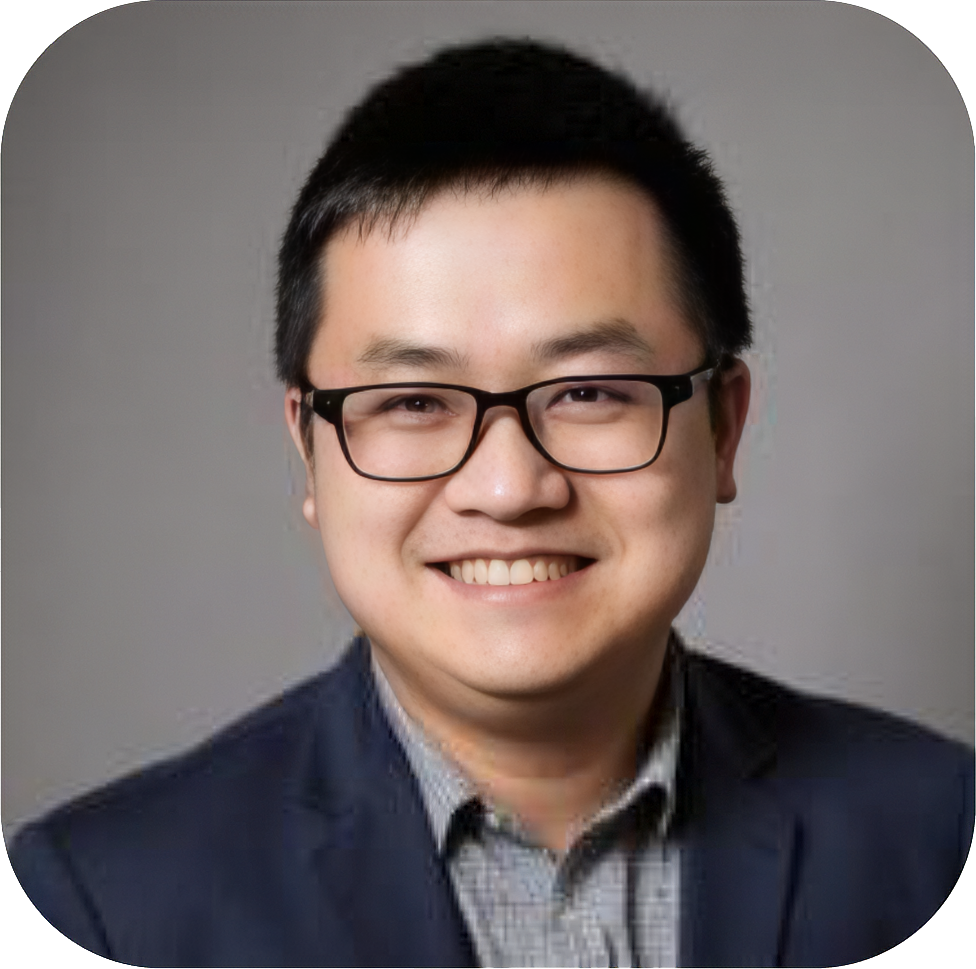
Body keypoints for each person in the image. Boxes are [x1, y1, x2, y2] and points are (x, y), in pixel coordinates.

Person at [9, 38, 973, 969]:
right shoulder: (93, 906)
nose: (510, 489)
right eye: (414, 402)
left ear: (722, 425)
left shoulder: (942, 833)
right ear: (309, 448)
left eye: (590, 391)